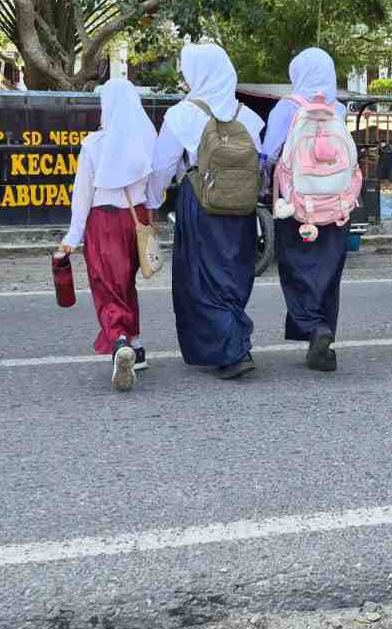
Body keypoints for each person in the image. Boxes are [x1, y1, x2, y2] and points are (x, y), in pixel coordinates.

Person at [148, 43, 265, 380]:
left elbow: (161, 167)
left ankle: (231, 351)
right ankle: (235, 339)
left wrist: (153, 202)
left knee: (201, 277)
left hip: (200, 203)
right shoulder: (249, 116)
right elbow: (261, 165)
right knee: (235, 271)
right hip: (241, 207)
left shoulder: (182, 114)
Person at [54, 78, 160, 392]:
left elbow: (82, 194)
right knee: (126, 282)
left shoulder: (95, 144)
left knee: (107, 286)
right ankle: (136, 346)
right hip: (136, 217)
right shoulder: (148, 138)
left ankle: (119, 341)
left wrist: (72, 237)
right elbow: (155, 190)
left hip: (103, 221)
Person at [262, 47, 350, 373]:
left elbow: (269, 153)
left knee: (297, 267)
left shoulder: (286, 108)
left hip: (296, 205)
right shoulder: (338, 108)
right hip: (336, 205)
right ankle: (324, 336)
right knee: (328, 270)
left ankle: (314, 328)